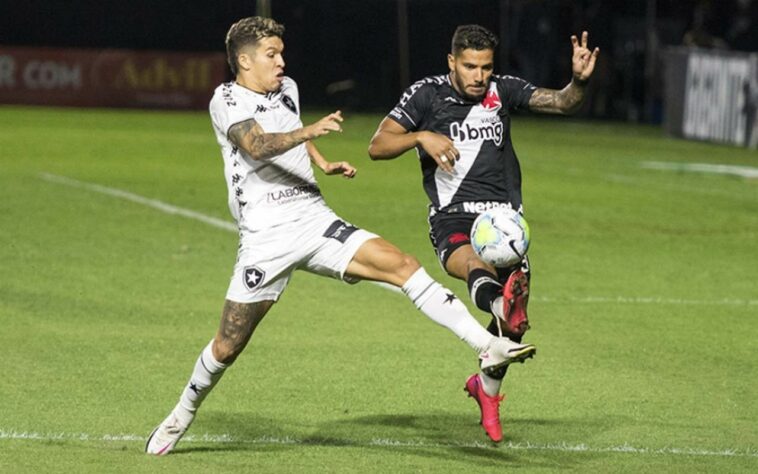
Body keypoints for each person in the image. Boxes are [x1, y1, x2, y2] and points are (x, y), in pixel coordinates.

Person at [145, 17, 537, 455]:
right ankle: (183, 411)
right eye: (271, 55)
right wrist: (308, 131)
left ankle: (488, 345)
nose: (281, 61)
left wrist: (322, 160)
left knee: (403, 266)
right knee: (228, 345)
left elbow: (289, 130)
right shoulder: (227, 99)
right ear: (243, 60)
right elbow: (256, 144)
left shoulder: (286, 88)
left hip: (313, 217)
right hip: (266, 234)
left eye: (281, 52)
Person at [367, 25, 598, 442]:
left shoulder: (503, 90)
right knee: (474, 266)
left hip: (504, 222)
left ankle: (486, 391)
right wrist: (421, 135)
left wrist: (578, 81)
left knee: (512, 333)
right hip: (452, 217)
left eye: (485, 68)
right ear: (452, 61)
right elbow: (377, 144)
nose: (478, 76)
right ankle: (499, 303)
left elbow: (564, 104)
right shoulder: (426, 94)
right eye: (470, 66)